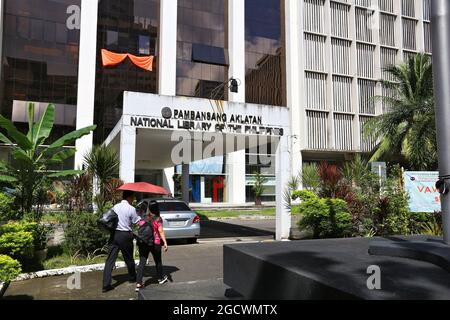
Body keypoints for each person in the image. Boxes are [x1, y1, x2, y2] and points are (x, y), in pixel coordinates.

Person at [102, 190, 141, 293]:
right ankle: (132, 277)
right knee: (129, 258)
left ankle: (106, 284)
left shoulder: (115, 207)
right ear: (129, 197)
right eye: (133, 197)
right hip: (125, 235)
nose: (133, 199)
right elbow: (137, 221)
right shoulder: (131, 209)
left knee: (110, 260)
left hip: (114, 235)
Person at [136, 201, 168, 291]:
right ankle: (160, 278)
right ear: (157, 208)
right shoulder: (158, 218)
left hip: (144, 242)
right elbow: (161, 231)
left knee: (142, 262)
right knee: (158, 261)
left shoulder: (144, 217)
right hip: (155, 242)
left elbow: (139, 227)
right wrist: (165, 242)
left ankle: (139, 283)